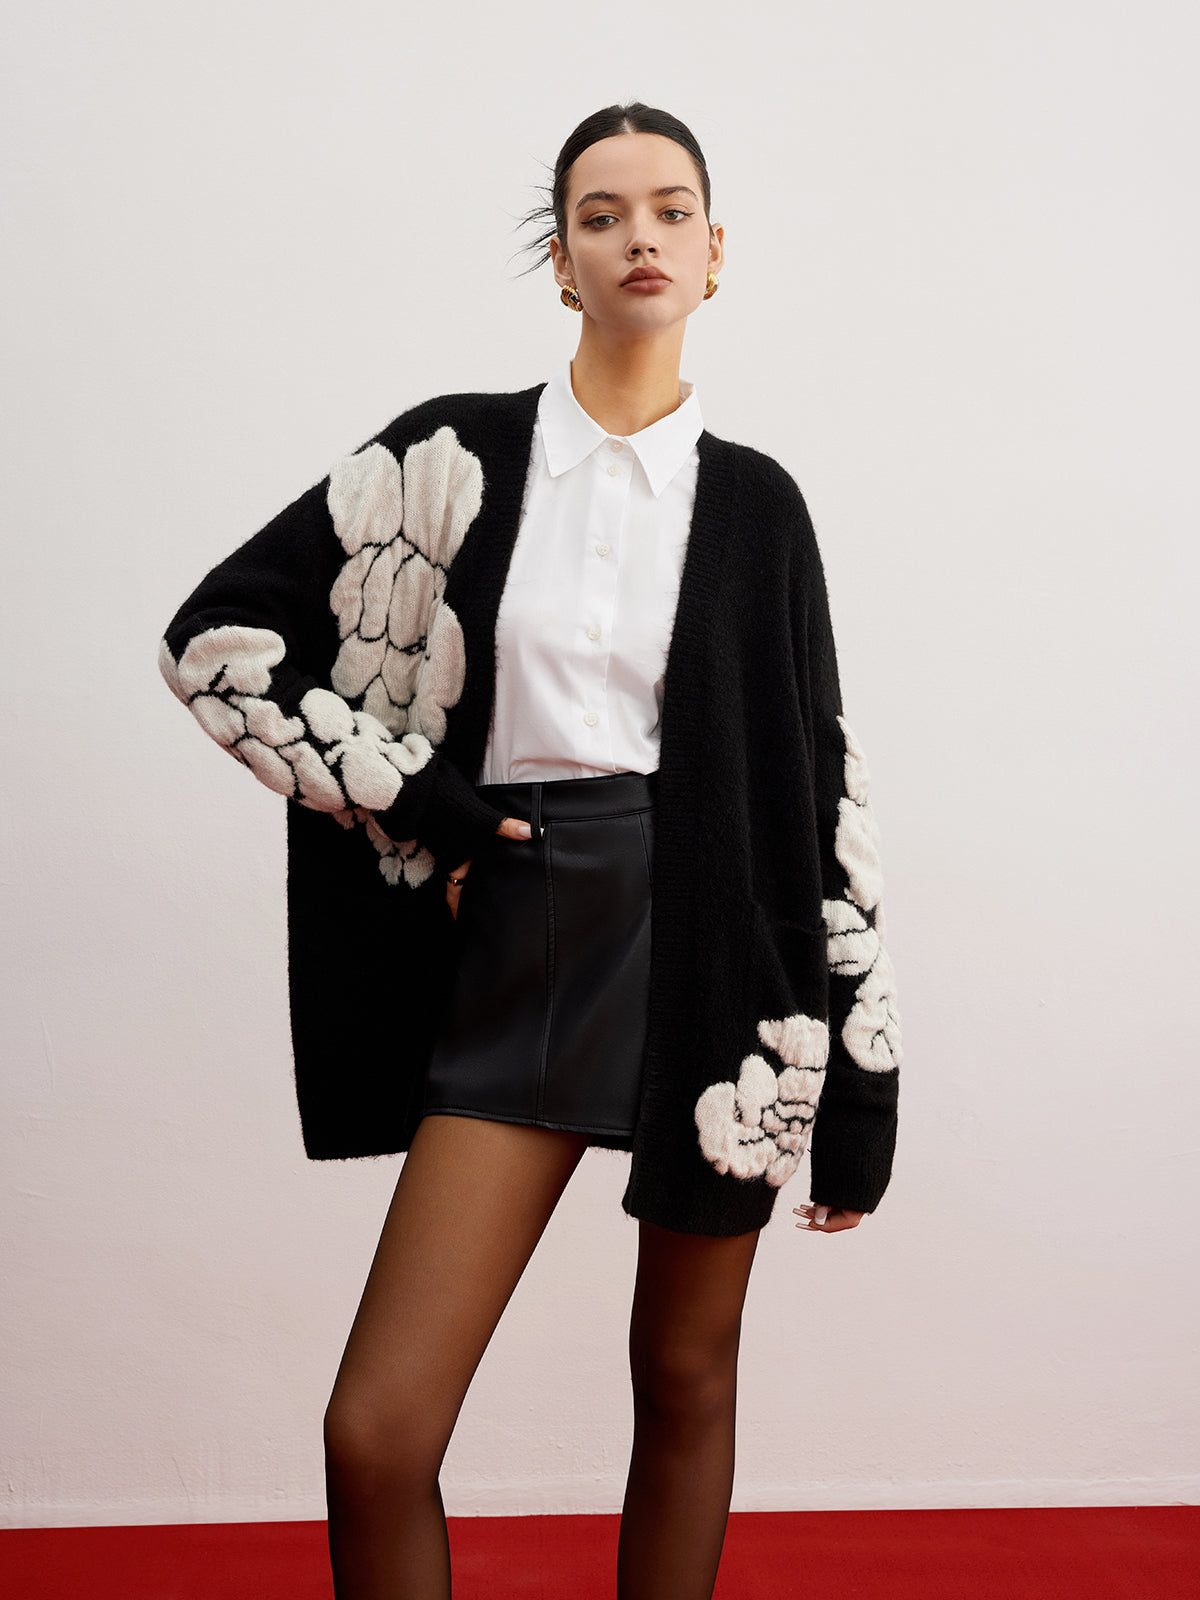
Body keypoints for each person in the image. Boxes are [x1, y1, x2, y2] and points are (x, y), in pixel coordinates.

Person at [158, 101, 902, 1600]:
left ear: (714, 252)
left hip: (724, 963)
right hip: (526, 922)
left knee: (683, 1376)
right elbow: (213, 645)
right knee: (378, 1429)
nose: (640, 238)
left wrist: (866, 1082)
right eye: (601, 215)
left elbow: (826, 789)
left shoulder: (759, 505)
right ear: (563, 260)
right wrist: (419, 799)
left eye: (671, 211)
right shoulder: (450, 457)